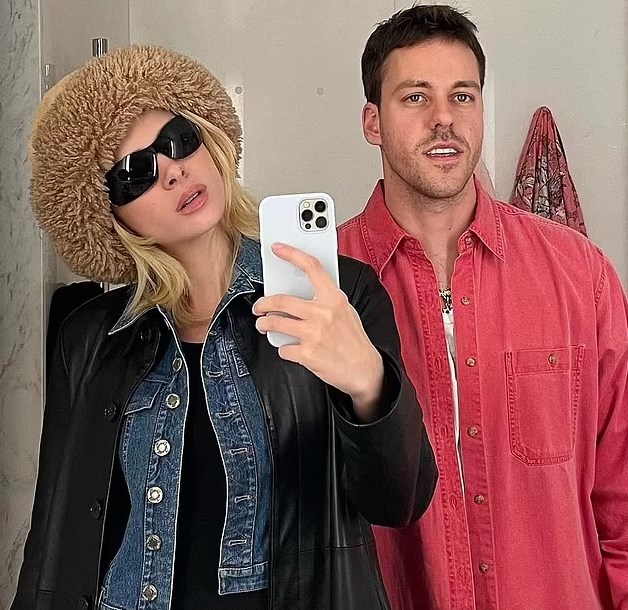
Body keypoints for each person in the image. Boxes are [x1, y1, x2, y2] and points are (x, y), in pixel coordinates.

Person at [12, 44, 437, 610]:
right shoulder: (89, 337)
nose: (174, 171)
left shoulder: (342, 294)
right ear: (108, 215)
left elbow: (398, 502)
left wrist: (368, 381)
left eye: (177, 140)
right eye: (136, 172)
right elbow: (55, 530)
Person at [338, 5, 628, 610]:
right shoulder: (324, 285)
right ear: (372, 122)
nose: (444, 118)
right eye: (415, 97)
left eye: (463, 96)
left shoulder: (580, 275)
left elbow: (621, 489)